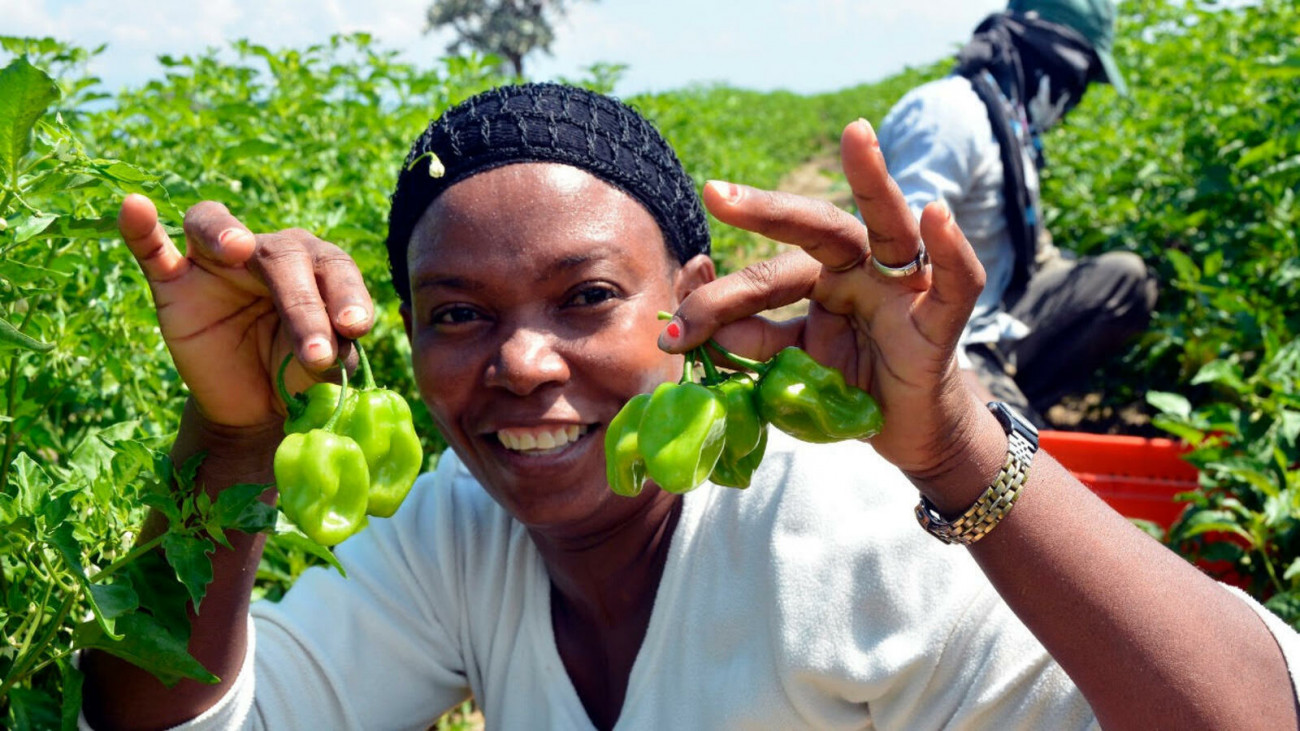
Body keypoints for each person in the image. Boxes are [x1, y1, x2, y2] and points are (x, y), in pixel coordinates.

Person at [81, 82, 1297, 730]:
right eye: (456, 312)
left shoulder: (843, 533)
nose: (522, 362)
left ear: (696, 303)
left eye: (588, 295)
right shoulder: (463, 530)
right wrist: (232, 434)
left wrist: (960, 451)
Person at [877, 0, 1157, 427]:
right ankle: (975, 411)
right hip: (941, 336)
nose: (1074, 98)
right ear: (1052, 58)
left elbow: (1029, 252)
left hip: (994, 313)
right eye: (1079, 79)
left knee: (1124, 279)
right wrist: (959, 372)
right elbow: (897, 265)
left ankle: (1011, 398)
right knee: (1019, 457)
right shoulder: (949, 115)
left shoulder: (1010, 123)